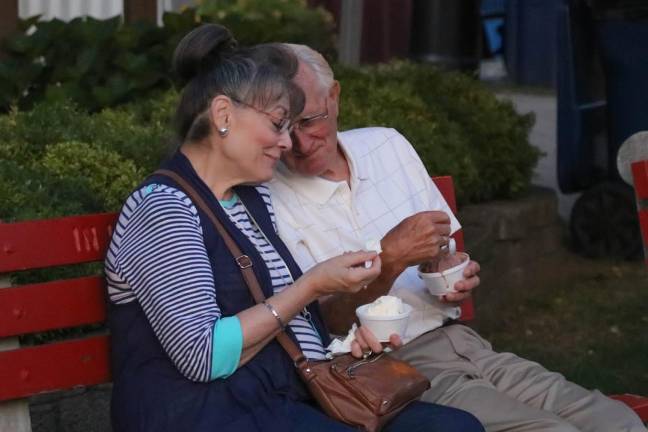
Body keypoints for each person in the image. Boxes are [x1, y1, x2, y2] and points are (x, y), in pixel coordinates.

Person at [104, 24, 484, 432]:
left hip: (277, 396)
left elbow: (283, 323)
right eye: (278, 123)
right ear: (223, 115)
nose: (287, 143)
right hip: (201, 413)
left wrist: (342, 344)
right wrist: (311, 286)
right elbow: (203, 354)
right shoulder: (163, 209)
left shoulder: (251, 200)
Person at [268, 42, 648, 432]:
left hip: (462, 342)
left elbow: (444, 248)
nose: (298, 143)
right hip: (386, 372)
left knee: (618, 422)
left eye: (309, 120)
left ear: (334, 99)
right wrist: (391, 257)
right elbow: (324, 322)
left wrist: (450, 271)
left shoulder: (386, 145)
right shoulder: (271, 201)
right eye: (282, 126)